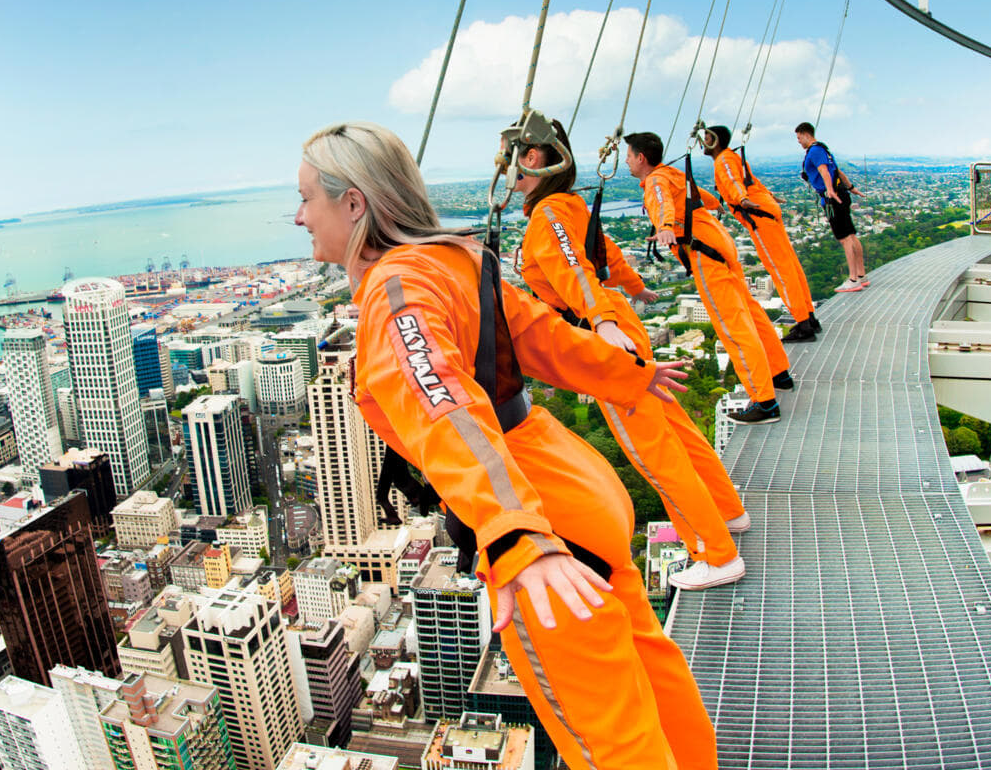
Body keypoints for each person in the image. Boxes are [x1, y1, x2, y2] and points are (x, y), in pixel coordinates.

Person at [296, 120, 718, 770]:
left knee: (611, 745)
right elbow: (546, 335)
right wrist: (631, 375)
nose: (299, 217)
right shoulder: (456, 257)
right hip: (574, 486)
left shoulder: (395, 288)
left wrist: (518, 534)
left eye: (306, 199)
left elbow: (446, 406)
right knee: (652, 677)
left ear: (353, 203)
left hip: (541, 521)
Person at [508, 117, 751, 590]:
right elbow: (604, 254)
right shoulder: (570, 205)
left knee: (652, 452)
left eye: (510, 159)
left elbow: (574, 269)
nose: (506, 170)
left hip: (604, 336)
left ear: (532, 158)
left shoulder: (547, 216)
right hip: (620, 321)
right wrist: (633, 291)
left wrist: (600, 320)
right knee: (678, 431)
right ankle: (727, 511)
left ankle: (715, 553)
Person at [626, 130, 791, 425]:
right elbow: (708, 201)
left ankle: (764, 402)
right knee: (751, 313)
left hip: (704, 254)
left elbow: (662, 200)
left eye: (628, 156)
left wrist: (665, 226)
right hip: (718, 243)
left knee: (733, 326)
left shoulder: (655, 180)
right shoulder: (674, 174)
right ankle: (779, 373)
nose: (626, 162)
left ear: (641, 158)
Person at [702, 125, 820, 342]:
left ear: (715, 140)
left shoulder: (724, 161)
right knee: (790, 264)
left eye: (707, 136)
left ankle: (803, 324)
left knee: (779, 269)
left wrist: (742, 200)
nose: (703, 140)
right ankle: (809, 317)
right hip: (766, 210)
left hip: (758, 216)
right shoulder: (733, 157)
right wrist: (770, 196)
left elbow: (734, 182)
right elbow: (752, 181)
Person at [796, 121, 867, 292]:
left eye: (799, 138)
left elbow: (825, 172)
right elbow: (837, 171)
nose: (799, 142)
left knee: (844, 238)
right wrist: (851, 187)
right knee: (851, 234)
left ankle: (853, 279)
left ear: (806, 134)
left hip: (833, 197)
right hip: (841, 193)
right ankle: (861, 275)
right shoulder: (824, 149)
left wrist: (829, 191)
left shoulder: (815, 151)